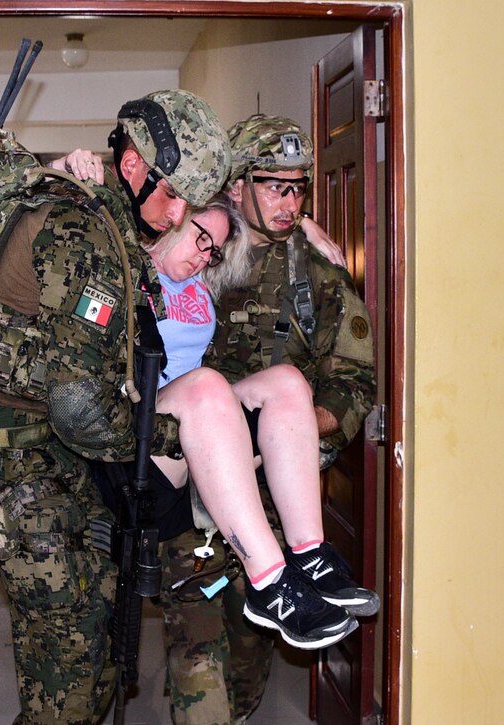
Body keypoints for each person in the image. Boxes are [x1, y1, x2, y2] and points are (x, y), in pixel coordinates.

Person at [0, 89, 231, 724]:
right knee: (66, 664)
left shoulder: (115, 223)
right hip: (2, 455)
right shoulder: (82, 231)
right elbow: (82, 408)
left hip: (51, 449)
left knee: (96, 640)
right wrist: (177, 437)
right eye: (173, 195)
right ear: (132, 168)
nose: (179, 215)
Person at [159, 114, 378, 724]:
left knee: (250, 657)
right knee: (196, 650)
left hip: (278, 499)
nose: (290, 202)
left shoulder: (318, 275)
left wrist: (292, 432)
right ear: (236, 186)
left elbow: (353, 381)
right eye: (274, 186)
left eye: (298, 188)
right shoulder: (199, 247)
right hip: (192, 499)